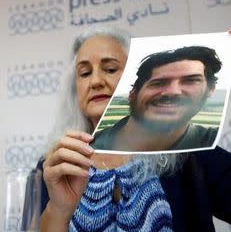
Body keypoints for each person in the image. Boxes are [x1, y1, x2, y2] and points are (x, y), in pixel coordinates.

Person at [37, 9, 231, 232]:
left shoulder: (184, 149)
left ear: (135, 81)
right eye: (84, 73)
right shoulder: (57, 164)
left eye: (110, 69)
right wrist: (59, 212)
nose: (95, 81)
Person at [93, 45, 223, 152]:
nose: (173, 92)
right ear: (132, 94)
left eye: (190, 81)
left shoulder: (213, 142)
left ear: (210, 89)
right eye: (158, 83)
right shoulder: (90, 147)